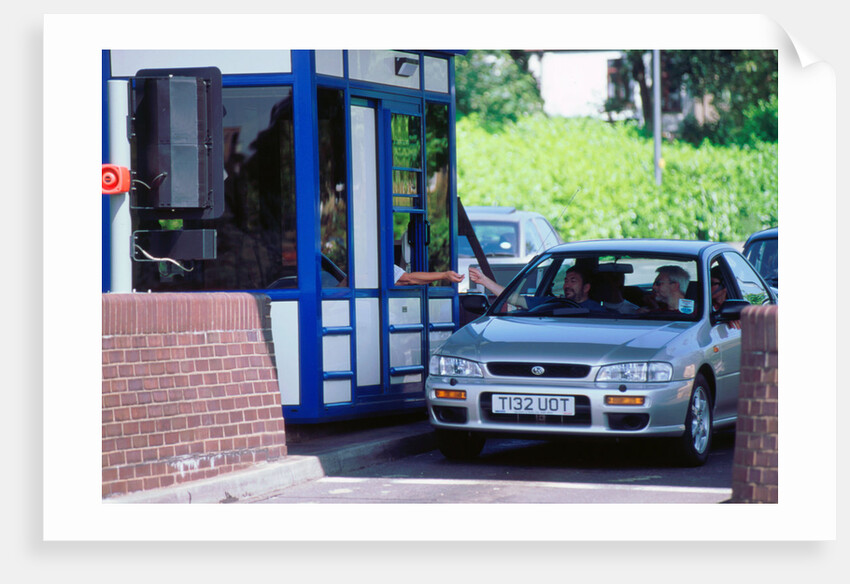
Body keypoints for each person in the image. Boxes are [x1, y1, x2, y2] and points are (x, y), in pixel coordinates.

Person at [469, 265, 604, 312]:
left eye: (573, 281)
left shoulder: (597, 312)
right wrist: (484, 280)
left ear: (586, 287)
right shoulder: (551, 303)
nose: (567, 286)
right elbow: (514, 299)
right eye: (566, 281)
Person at [394, 264, 464, 286]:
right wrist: (445, 275)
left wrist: (445, 275)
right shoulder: (387, 264)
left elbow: (409, 281)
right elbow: (407, 279)